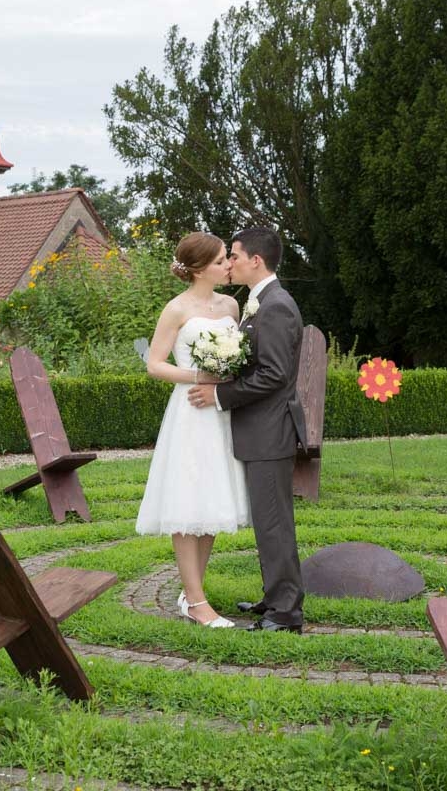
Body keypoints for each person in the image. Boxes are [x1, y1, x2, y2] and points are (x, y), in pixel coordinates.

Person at [188, 226, 307, 634]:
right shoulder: (261, 302)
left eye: (234, 255)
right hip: (260, 431)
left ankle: (286, 614)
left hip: (270, 431)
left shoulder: (275, 306)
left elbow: (273, 375)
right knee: (267, 521)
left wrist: (220, 395)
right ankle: (275, 598)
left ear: (256, 260)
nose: (230, 263)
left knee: (274, 523)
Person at [136, 232, 248, 628]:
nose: (228, 265)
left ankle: (192, 592)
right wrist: (197, 375)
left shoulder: (233, 305)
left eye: (227, 259)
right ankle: (198, 602)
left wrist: (227, 378)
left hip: (221, 413)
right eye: (221, 261)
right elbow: (154, 364)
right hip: (190, 414)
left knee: (213, 500)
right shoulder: (176, 309)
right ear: (199, 269)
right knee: (188, 500)